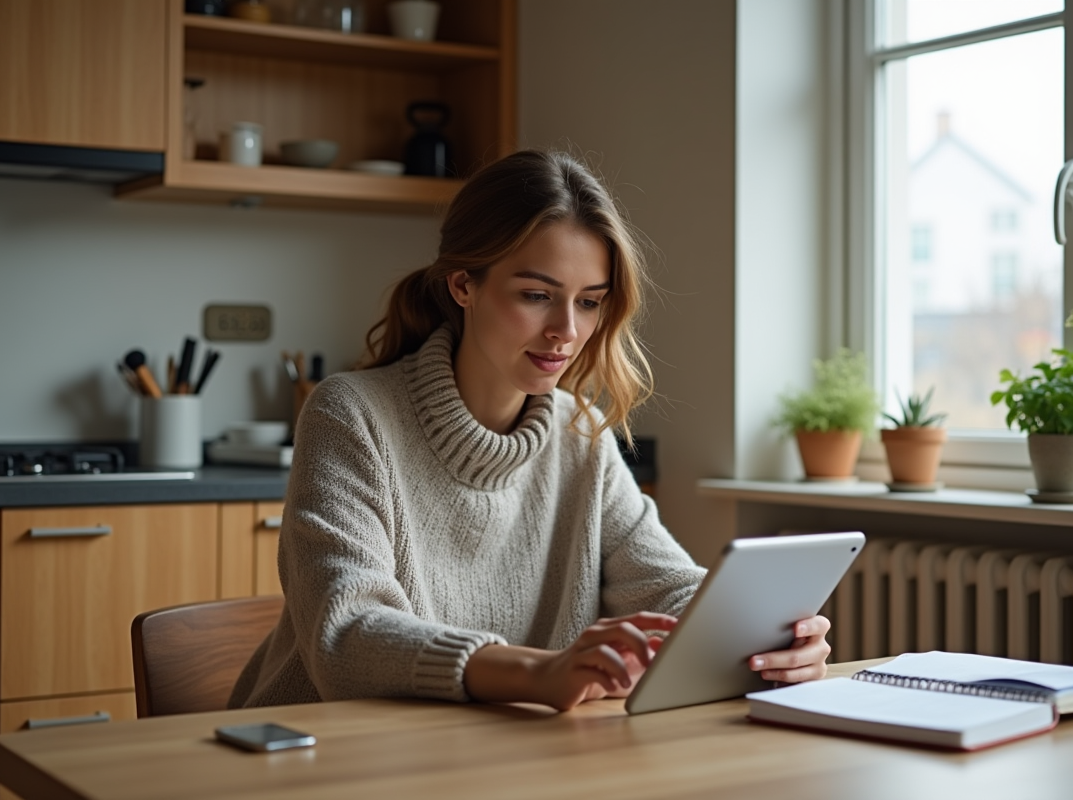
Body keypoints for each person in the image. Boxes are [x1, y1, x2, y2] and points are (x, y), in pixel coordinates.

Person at [229, 150, 831, 712]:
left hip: (493, 752)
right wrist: (538, 672)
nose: (566, 330)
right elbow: (348, 637)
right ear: (463, 285)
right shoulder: (351, 414)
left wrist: (768, 635)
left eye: (589, 302)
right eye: (537, 295)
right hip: (319, 750)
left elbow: (667, 589)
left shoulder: (580, 436)